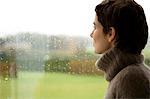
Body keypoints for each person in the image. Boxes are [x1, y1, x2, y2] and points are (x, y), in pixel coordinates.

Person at [90, 0, 150, 98]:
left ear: (110, 33)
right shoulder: (131, 74)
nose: (91, 34)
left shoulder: (130, 79)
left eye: (95, 27)